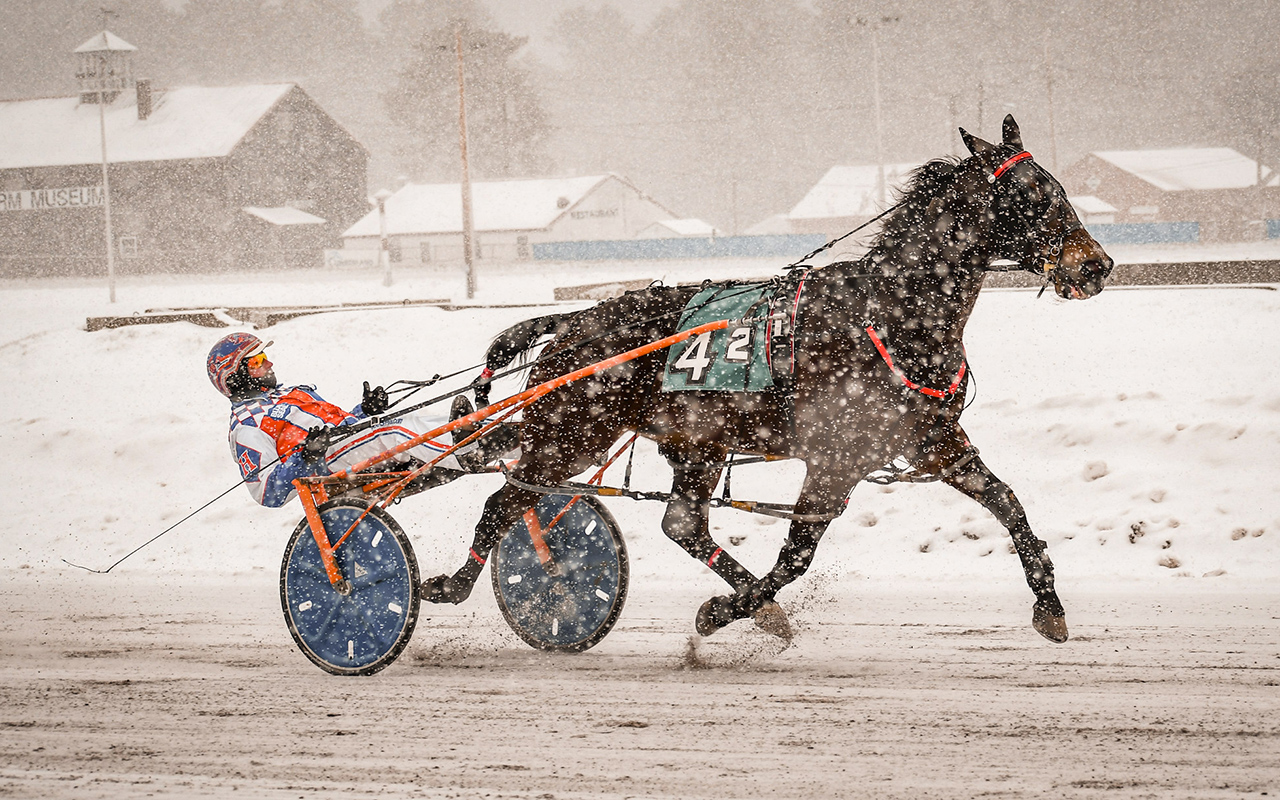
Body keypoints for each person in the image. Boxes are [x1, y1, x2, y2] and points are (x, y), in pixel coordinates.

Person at [207, 332, 506, 508]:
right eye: (257, 362)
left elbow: (344, 425)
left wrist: (365, 410)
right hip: (323, 468)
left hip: (343, 446)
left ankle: (496, 440)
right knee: (392, 431)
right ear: (235, 376)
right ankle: (464, 455)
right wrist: (306, 455)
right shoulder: (246, 425)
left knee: (407, 418)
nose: (269, 363)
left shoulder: (290, 393)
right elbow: (265, 492)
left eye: (265, 357)